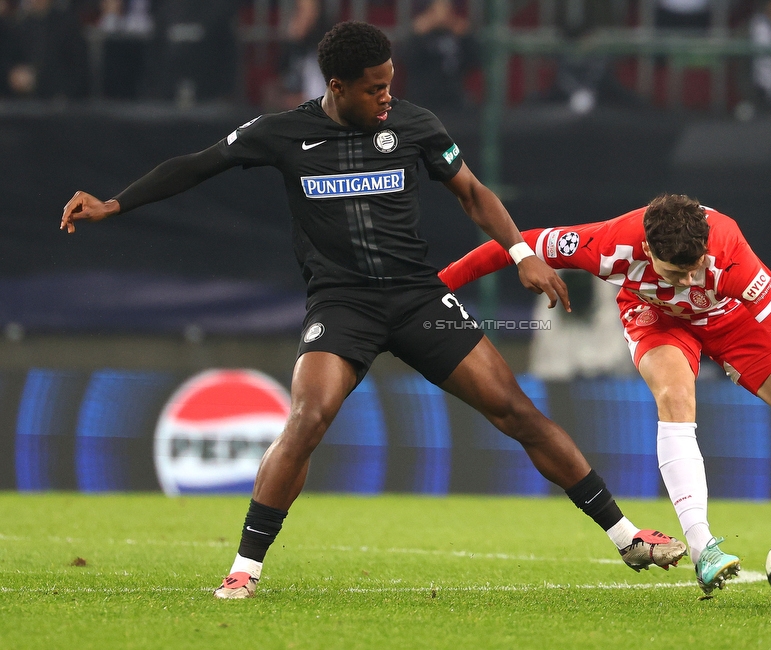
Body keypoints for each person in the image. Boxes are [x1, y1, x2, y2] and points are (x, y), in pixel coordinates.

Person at [59, 21, 686, 600]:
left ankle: (627, 537)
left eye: (391, 84)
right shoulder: (281, 132)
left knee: (516, 410)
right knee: (308, 416)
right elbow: (194, 167)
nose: (388, 97)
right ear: (337, 87)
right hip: (342, 305)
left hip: (418, 299)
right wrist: (116, 204)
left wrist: (520, 250)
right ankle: (244, 570)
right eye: (375, 88)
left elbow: (470, 191)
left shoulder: (413, 125)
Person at [439, 193, 771, 596]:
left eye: (693, 267)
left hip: (730, 321)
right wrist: (437, 287)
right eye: (673, 271)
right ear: (648, 249)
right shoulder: (608, 243)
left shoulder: (732, 253)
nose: (685, 280)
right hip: (654, 317)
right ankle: (703, 547)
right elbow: (517, 244)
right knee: (677, 396)